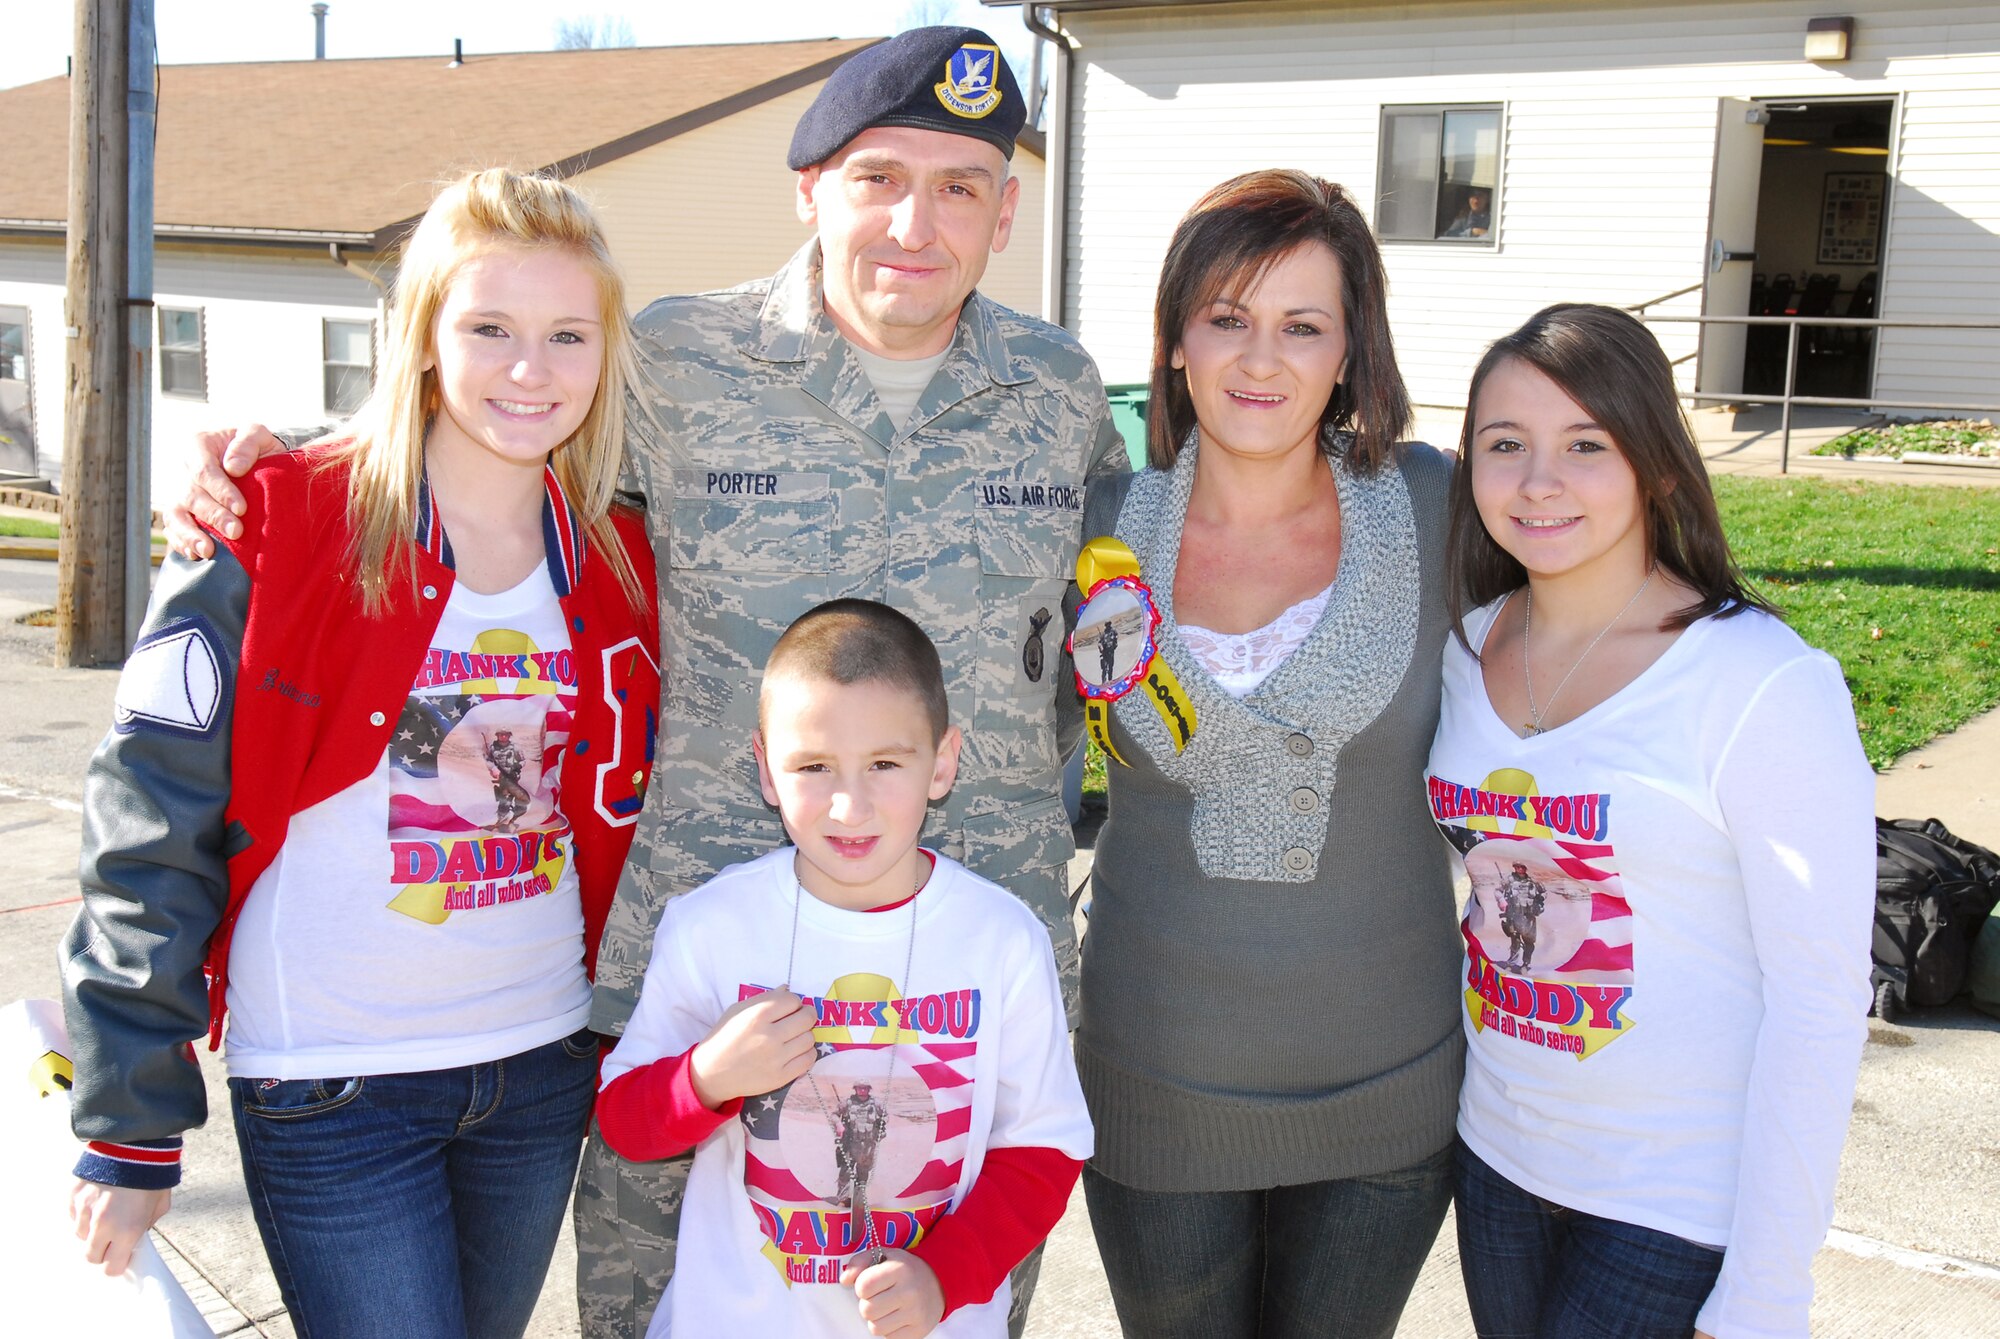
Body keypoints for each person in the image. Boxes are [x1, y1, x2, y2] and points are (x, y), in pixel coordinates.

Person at [160, 27, 1127, 1337]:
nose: (917, 219)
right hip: (704, 977)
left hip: (971, 973)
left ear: (1008, 213)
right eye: (879, 175)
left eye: (962, 185)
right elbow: (497, 425)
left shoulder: (1063, 394)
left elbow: (1128, 590)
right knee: (645, 1311)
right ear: (811, 188)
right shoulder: (675, 364)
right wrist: (278, 466)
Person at [61, 168, 661, 1339]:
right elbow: (145, 810)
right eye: (489, 327)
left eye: (564, 335)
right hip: (334, 1083)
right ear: (426, 335)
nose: (528, 369)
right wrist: (128, 1119)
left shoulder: (623, 553)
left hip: (539, 1068)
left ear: (604, 353)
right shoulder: (276, 517)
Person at [1428, 303, 1873, 1338]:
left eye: (1585, 444)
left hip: (1671, 1206)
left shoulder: (1759, 682)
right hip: (1496, 1163)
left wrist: (1765, 1292)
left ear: (1655, 466)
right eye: (1505, 445)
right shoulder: (1466, 648)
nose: (1538, 480)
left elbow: (1817, 1003)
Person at [1067, 169, 1461, 1338]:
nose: (1259, 359)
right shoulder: (1095, 527)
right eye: (1226, 317)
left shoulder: (1436, 507)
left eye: (1302, 325)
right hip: (1156, 1081)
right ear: (1176, 340)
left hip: (1386, 1095)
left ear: (1350, 351)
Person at [594, 599, 1091, 1338]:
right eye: (813, 766)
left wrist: (942, 1274)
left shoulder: (1002, 939)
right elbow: (624, 1120)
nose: (849, 804)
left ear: (943, 763)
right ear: (766, 769)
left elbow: (1043, 1148)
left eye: (885, 764)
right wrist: (705, 1077)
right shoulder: (712, 926)